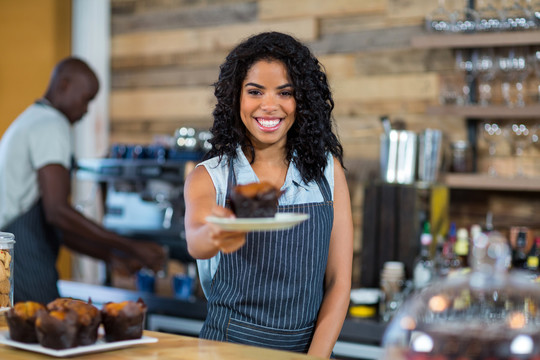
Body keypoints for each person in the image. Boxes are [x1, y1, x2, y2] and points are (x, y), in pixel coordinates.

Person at [184, 32, 353, 358]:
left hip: (308, 351)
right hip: (227, 349)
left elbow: (339, 283)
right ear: (236, 98)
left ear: (302, 100)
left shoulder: (327, 172)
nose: (269, 105)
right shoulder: (211, 177)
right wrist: (218, 229)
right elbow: (197, 242)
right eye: (255, 92)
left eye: (285, 93)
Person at [0, 57, 166, 304]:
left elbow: (55, 226)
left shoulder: (30, 120)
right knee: (47, 332)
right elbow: (58, 212)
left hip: (10, 254)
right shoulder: (51, 123)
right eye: (86, 99)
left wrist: (110, 256)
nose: (86, 110)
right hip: (19, 257)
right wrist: (131, 246)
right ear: (64, 85)